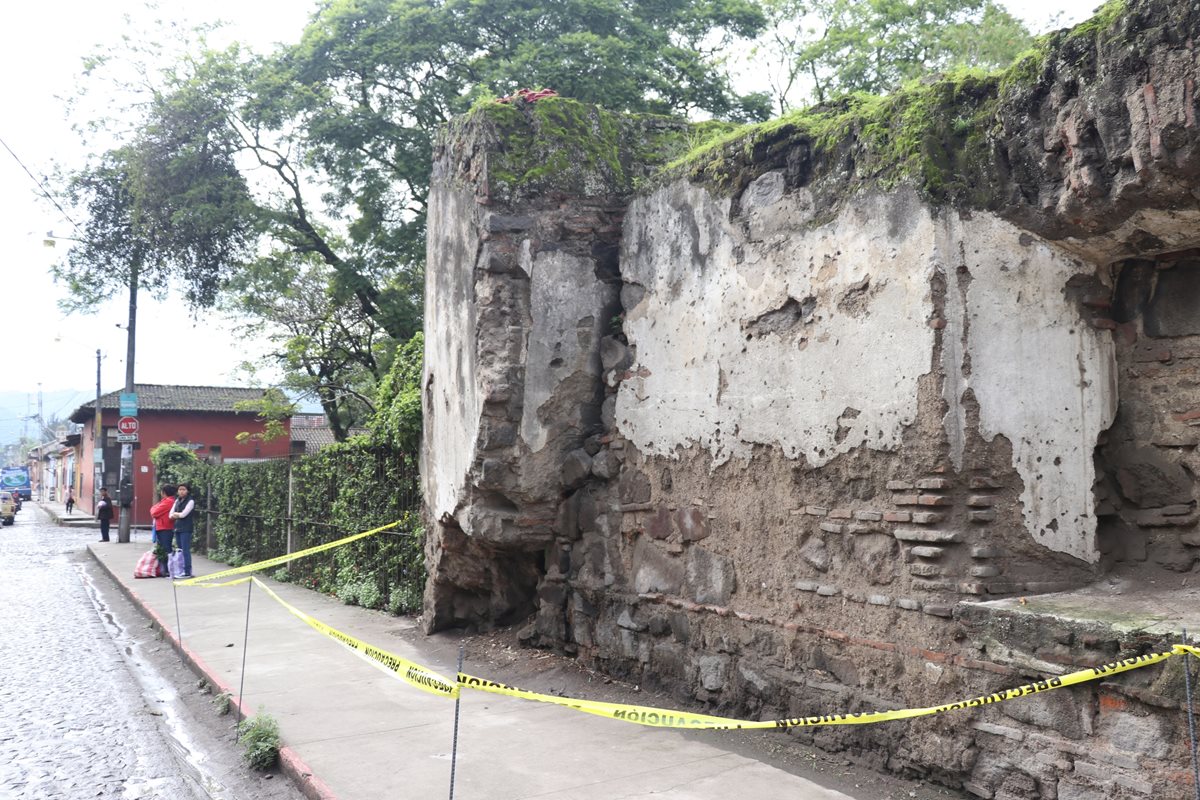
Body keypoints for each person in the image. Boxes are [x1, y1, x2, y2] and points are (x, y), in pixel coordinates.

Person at [169, 482, 196, 578]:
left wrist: (176, 514)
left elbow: (184, 514)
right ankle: (180, 569)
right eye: (180, 489)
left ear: (187, 491)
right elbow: (170, 514)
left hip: (186, 528)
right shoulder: (177, 501)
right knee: (179, 550)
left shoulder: (190, 501)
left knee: (185, 550)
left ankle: (187, 571)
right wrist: (177, 514)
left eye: (183, 489)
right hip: (177, 528)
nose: (181, 491)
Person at [149, 485, 178, 576]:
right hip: (162, 526)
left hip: (165, 527)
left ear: (164, 492)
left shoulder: (168, 502)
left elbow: (154, 512)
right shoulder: (166, 501)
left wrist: (154, 508)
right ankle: (164, 569)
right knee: (162, 548)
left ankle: (167, 569)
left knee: (166, 548)